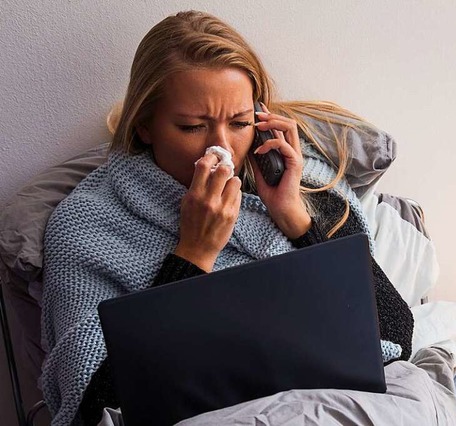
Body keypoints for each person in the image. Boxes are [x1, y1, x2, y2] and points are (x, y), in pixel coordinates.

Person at [40, 10, 414, 426]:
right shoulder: (86, 225)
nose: (220, 148)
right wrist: (193, 254)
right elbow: (95, 407)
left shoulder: (302, 187)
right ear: (145, 125)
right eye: (192, 127)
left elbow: (397, 333)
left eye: (239, 123)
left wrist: (294, 217)